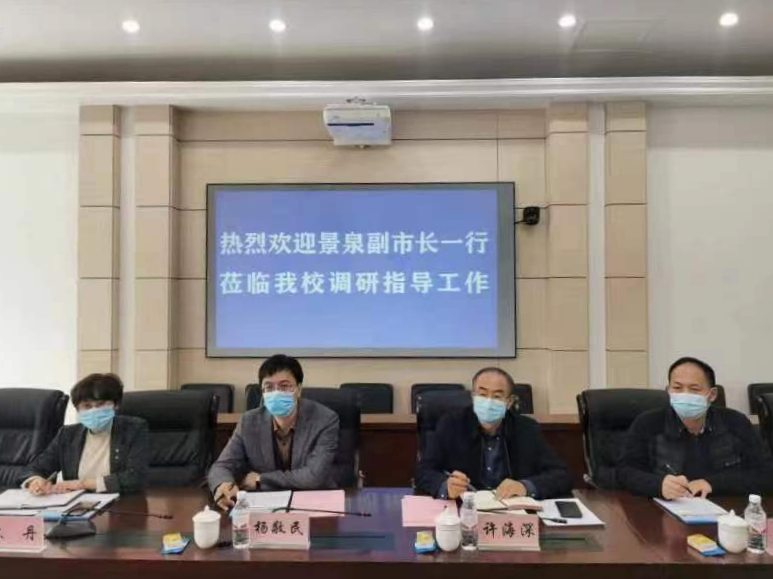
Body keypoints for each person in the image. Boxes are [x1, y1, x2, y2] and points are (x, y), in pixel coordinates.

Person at [619, 356, 773, 499]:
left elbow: (766, 473)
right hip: (666, 508)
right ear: (668, 391)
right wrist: (658, 485)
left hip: (725, 508)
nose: (685, 395)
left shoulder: (736, 422)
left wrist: (713, 484)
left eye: (694, 389)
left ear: (712, 395)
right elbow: (625, 471)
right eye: (677, 388)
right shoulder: (648, 423)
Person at [414, 367, 572, 500]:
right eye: (482, 395)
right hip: (466, 509)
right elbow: (423, 471)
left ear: (509, 402)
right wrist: (445, 486)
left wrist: (525, 486)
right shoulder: (451, 425)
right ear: (473, 397)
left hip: (511, 509)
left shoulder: (527, 429)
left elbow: (561, 475)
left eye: (497, 396)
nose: (488, 402)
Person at [208, 354, 339, 510]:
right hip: (266, 505)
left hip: (315, 502)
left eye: (284, 386)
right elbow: (222, 466)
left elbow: (313, 476)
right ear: (262, 392)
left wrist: (261, 479)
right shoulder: (249, 422)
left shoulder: (325, 419)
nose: (276, 393)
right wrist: (222, 485)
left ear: (298, 389)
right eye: (269, 387)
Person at [20, 373, 149, 494]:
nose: (94, 410)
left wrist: (83, 484)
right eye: (87, 406)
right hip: (76, 504)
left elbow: (135, 478)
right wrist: (35, 481)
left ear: (116, 405)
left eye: (101, 404)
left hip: (121, 503)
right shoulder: (67, 435)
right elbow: (34, 468)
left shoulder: (133, 429)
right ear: (78, 410)